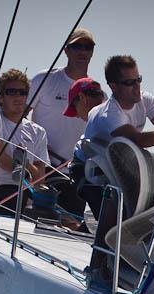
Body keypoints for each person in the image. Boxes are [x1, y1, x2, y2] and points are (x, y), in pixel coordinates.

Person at [77, 55, 154, 288]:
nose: (137, 87)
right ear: (114, 86)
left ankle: (125, 265)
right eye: (129, 83)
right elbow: (137, 140)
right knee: (114, 198)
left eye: (138, 79)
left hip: (116, 164)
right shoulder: (109, 114)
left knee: (128, 200)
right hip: (87, 168)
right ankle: (97, 267)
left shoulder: (146, 100)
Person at [28, 28, 95, 220]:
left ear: (92, 52)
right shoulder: (44, 79)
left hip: (74, 175)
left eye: (87, 47)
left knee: (70, 229)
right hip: (41, 170)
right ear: (66, 50)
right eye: (77, 46)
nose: (82, 51)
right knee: (36, 223)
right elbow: (18, 116)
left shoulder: (98, 93)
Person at [0, 69, 49, 216]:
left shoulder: (38, 131)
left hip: (28, 195)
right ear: (0, 97)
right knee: (13, 194)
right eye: (11, 92)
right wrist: (25, 166)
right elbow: (0, 158)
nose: (18, 97)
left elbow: (40, 178)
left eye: (22, 92)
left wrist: (25, 164)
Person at [62, 77, 106, 218]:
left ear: (82, 98)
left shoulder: (97, 120)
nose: (77, 116)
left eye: (74, 108)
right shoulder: (114, 113)